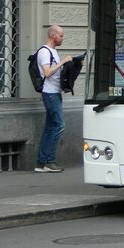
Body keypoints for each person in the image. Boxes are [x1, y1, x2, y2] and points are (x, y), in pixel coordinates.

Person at [36, 24, 74, 172]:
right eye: (61, 35)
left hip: (54, 93)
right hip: (50, 94)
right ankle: (49, 161)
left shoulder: (52, 51)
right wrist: (63, 62)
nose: (62, 38)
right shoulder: (45, 52)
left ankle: (41, 162)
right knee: (59, 125)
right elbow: (47, 72)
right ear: (53, 35)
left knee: (49, 128)